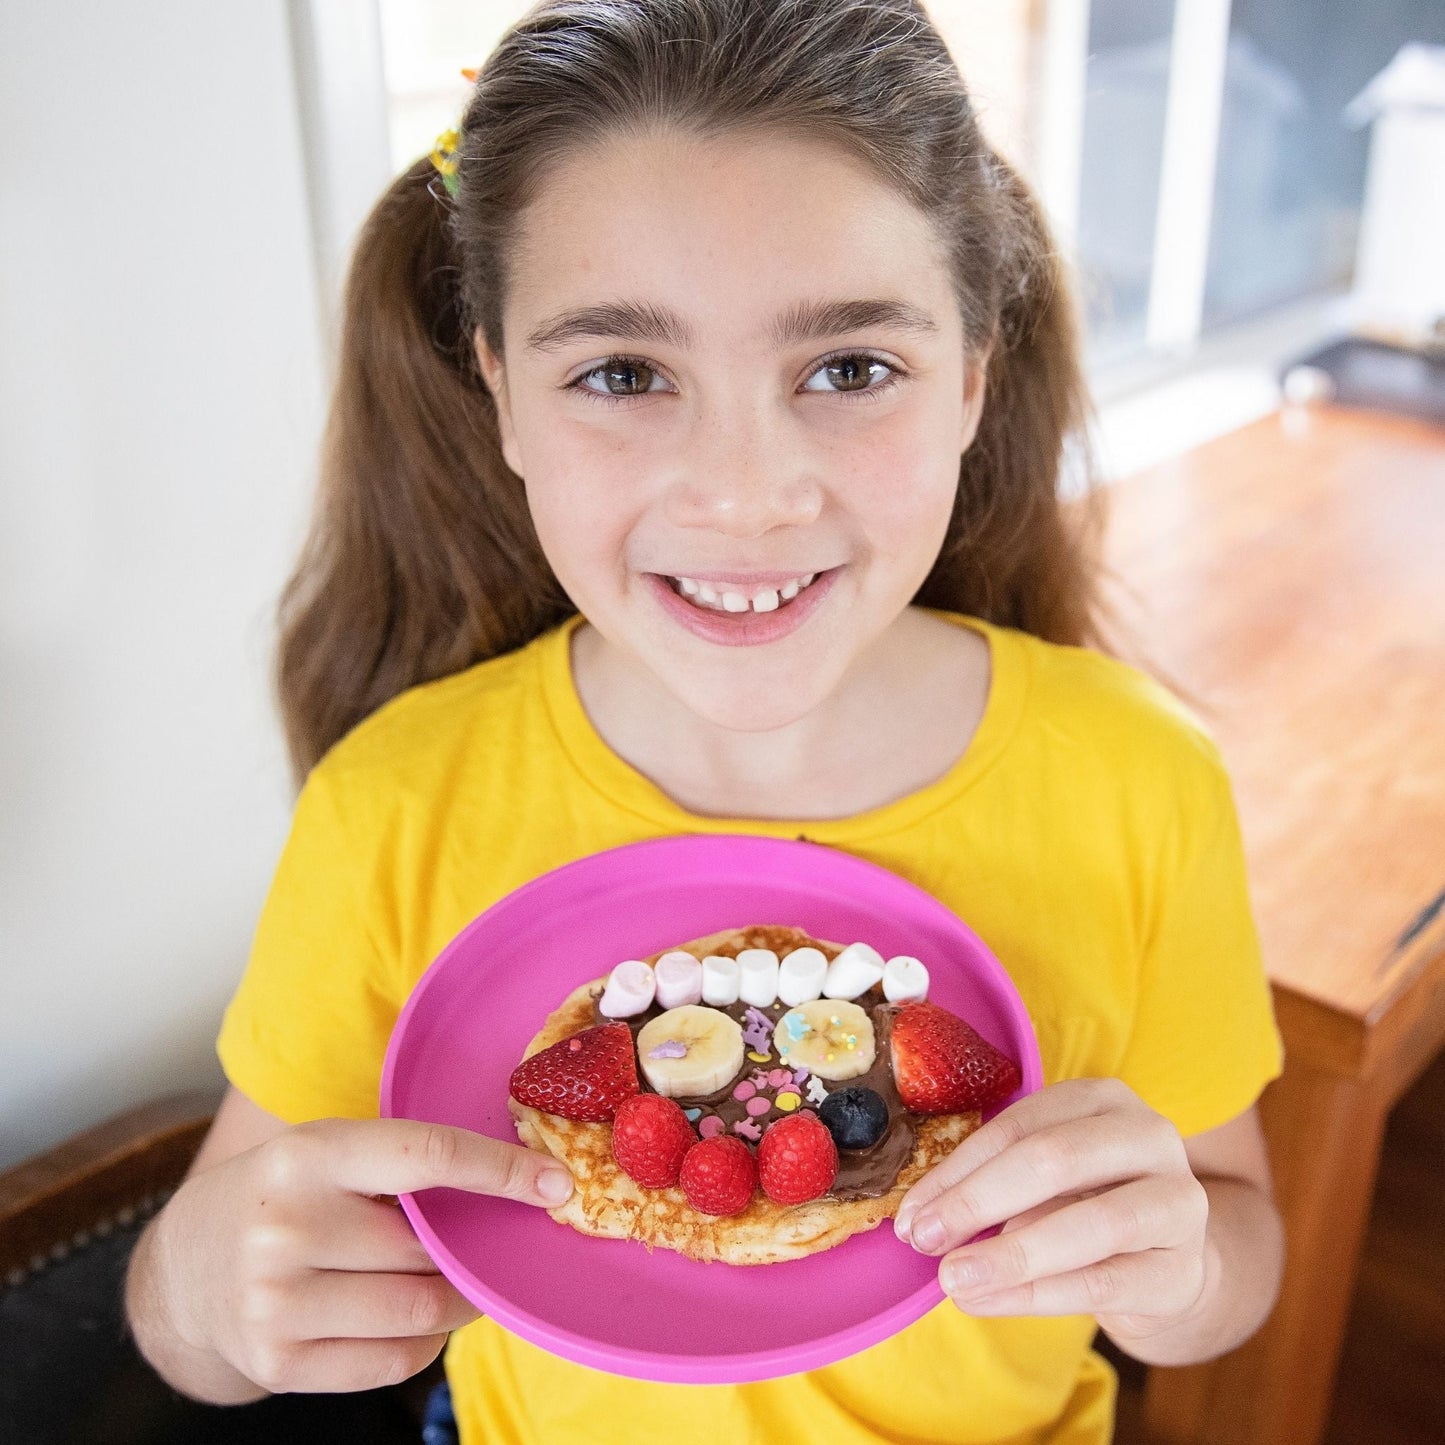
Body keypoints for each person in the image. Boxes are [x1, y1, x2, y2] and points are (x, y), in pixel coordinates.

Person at [124, 2, 1286, 1441]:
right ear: (497, 388)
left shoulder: (1135, 776)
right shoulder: (398, 804)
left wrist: (1178, 1271)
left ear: (974, 372)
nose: (746, 494)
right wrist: (199, 1289)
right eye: (621, 373)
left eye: (849, 368)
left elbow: (1234, 1239)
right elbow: (202, 1319)